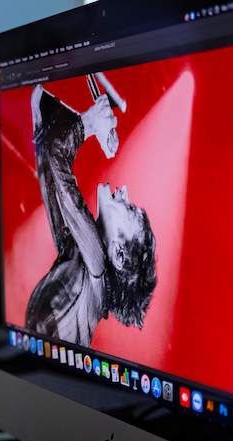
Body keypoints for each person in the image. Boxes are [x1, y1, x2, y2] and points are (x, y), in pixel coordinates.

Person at [24, 84, 158, 346]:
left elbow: (54, 155)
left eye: (130, 208)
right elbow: (49, 168)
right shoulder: (83, 262)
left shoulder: (95, 260)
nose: (126, 191)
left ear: (118, 255)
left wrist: (89, 124)